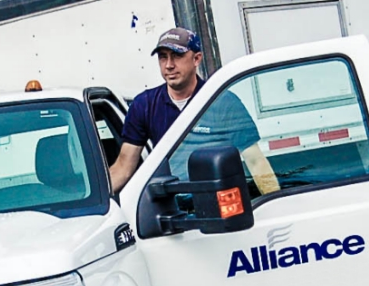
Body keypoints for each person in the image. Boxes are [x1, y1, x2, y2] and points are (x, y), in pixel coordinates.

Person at [110, 27, 280, 195]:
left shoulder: (223, 102)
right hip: (172, 208)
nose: (169, 65)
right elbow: (124, 168)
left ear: (197, 59)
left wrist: (275, 204)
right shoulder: (144, 104)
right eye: (163, 57)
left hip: (220, 202)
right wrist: (93, 203)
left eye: (177, 56)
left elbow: (255, 161)